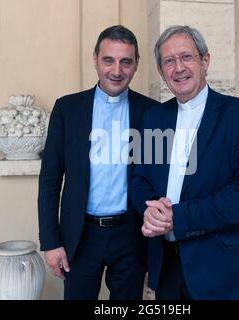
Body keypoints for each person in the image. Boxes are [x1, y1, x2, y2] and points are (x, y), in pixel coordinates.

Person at [131, 25, 239, 300]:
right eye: (169, 61)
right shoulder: (153, 119)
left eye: (186, 57)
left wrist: (178, 218)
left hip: (222, 268)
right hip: (167, 266)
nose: (178, 67)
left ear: (205, 61)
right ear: (161, 71)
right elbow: (139, 179)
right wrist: (150, 210)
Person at [38, 25, 159, 300]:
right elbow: (50, 179)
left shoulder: (151, 112)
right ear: (95, 59)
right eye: (108, 60)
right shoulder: (67, 109)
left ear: (136, 64)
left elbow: (157, 178)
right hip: (80, 237)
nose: (116, 70)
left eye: (125, 61)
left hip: (131, 235)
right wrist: (51, 241)